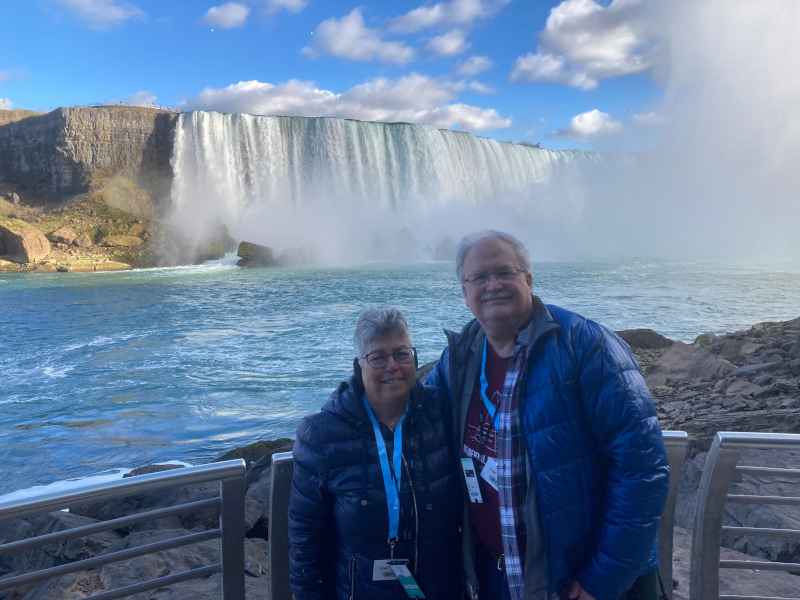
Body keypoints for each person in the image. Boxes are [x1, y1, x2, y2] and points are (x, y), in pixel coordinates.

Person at [426, 231, 670, 600]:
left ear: (528, 279)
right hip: (497, 576)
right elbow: (414, 410)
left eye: (505, 272)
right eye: (479, 277)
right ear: (465, 293)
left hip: (582, 582)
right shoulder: (460, 356)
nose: (493, 285)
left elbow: (642, 471)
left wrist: (600, 582)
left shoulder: (587, 345)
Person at [289, 306, 462, 600]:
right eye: (378, 357)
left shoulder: (443, 412)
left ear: (414, 359)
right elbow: (306, 544)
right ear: (359, 367)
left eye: (402, 354)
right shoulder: (321, 436)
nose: (392, 366)